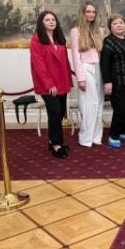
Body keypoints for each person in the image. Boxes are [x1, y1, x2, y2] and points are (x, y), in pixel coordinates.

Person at [30, 11, 73, 159]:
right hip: (47, 85)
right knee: (54, 112)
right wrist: (49, 84)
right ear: (41, 23)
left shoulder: (59, 38)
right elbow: (38, 64)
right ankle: (56, 144)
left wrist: (69, 81)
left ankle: (52, 140)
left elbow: (65, 62)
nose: (51, 22)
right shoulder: (36, 39)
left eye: (53, 19)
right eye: (47, 20)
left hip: (62, 82)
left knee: (60, 112)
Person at [100, 14, 125, 148]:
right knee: (121, 108)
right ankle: (113, 135)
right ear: (110, 27)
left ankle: (122, 131)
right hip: (117, 82)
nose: (118, 25)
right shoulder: (108, 41)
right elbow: (104, 63)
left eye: (121, 23)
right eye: (115, 23)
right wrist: (107, 82)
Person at [70, 2, 104, 147]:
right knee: (89, 103)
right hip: (85, 68)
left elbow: (100, 54)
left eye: (93, 12)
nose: (91, 14)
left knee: (99, 103)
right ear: (82, 13)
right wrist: (81, 78)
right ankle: (85, 138)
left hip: (98, 68)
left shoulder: (98, 31)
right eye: (88, 12)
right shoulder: (75, 31)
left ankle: (96, 136)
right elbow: (75, 56)